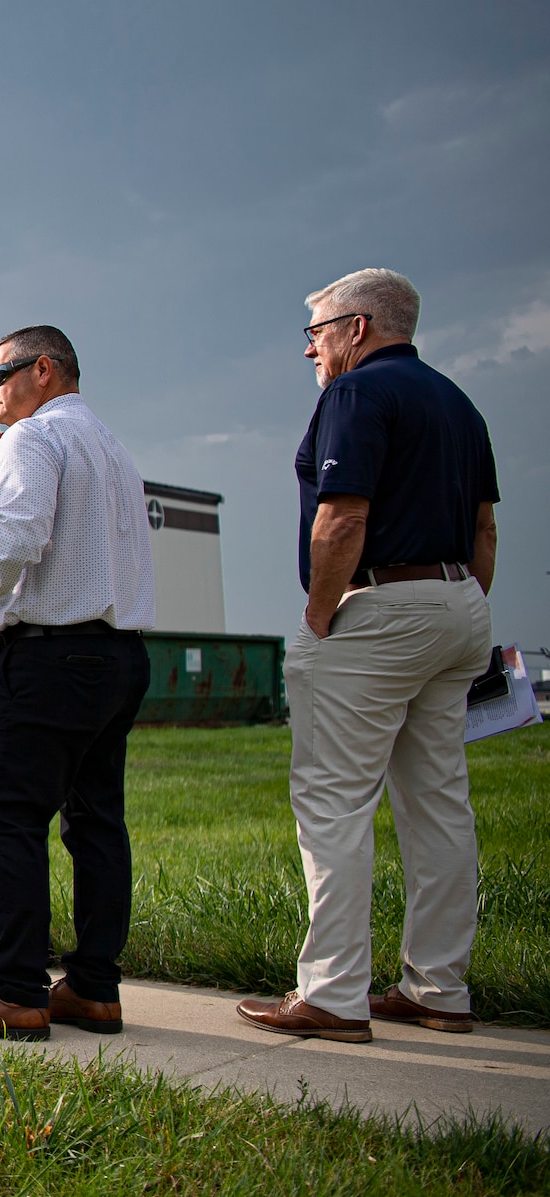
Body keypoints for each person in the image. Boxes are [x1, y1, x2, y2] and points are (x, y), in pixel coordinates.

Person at [238, 270, 497, 1043]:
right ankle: (439, 986)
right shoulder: (459, 403)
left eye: (315, 332)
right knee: (439, 801)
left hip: (379, 606)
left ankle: (331, 992)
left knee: (333, 801)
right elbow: (484, 529)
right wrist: (464, 605)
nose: (311, 350)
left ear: (358, 328)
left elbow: (342, 515)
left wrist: (322, 613)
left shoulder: (353, 396)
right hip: (457, 601)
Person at [0, 326, 154, 1040]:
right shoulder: (112, 447)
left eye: (0, 374)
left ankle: (14, 988)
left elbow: (12, 544)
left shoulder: (30, 440)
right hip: (121, 651)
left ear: (43, 369)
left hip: (50, 653)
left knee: (8, 816)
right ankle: (95, 986)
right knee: (96, 820)